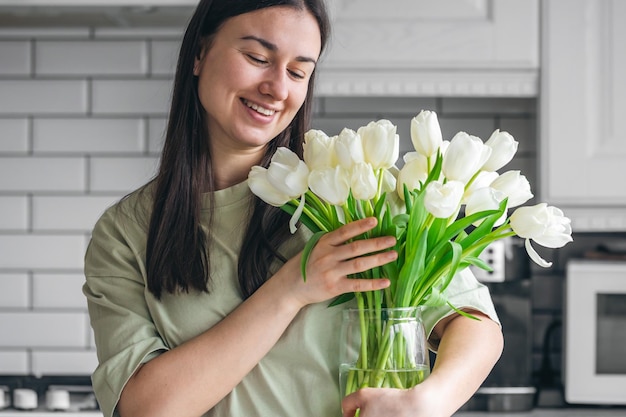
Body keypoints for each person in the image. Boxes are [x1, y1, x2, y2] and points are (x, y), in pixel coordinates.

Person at [83, 0, 503, 416]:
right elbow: (147, 409)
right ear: (199, 53)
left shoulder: (355, 193)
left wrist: (429, 402)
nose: (278, 88)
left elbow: (474, 321)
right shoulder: (127, 232)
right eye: (257, 57)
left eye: (298, 71)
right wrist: (290, 289)